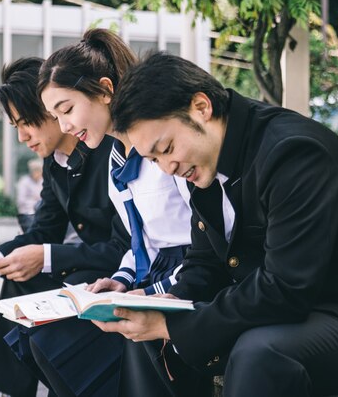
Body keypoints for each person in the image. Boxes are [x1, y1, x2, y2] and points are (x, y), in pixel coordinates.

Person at [92, 52, 338, 397]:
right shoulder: (203, 164)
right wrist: (159, 306)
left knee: (259, 353)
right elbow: (204, 265)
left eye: (166, 148)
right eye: (154, 159)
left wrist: (173, 325)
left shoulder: (293, 152)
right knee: (145, 337)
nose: (167, 168)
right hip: (296, 309)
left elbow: (285, 287)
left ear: (201, 107)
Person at [12, 29, 205, 397]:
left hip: (185, 275)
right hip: (147, 275)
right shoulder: (117, 157)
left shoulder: (163, 152)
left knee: (72, 343)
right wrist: (119, 280)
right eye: (56, 115)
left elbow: (206, 244)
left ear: (104, 90)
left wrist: (150, 292)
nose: (65, 126)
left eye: (67, 110)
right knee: (45, 337)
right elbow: (139, 240)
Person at [0, 57, 130, 397]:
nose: (23, 136)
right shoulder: (54, 163)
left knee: (35, 278)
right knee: (18, 280)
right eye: (16, 126)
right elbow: (43, 231)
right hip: (87, 268)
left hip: (119, 272)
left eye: (27, 122)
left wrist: (44, 257)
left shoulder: (111, 150)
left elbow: (123, 247)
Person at [16, 158, 43, 233]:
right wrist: (36, 202)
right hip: (27, 215)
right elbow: (21, 200)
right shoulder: (24, 181)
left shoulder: (42, 181)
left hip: (41, 214)